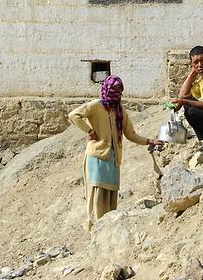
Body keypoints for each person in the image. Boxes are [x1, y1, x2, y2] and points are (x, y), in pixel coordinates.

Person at [68, 75, 163, 230]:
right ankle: (95, 228)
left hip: (113, 158)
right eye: (114, 90)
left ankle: (107, 228)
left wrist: (149, 141)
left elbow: (130, 134)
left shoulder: (120, 110)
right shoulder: (96, 105)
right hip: (97, 157)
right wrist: (90, 131)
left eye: (119, 90)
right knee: (98, 193)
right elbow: (74, 115)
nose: (116, 93)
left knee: (110, 195)